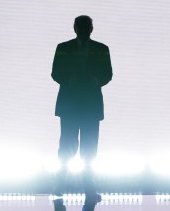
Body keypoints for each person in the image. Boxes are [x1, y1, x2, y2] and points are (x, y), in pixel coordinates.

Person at [51, 15, 113, 202]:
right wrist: (93, 81)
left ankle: (68, 186)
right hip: (83, 104)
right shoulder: (99, 49)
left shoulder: (65, 48)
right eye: (82, 26)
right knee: (75, 145)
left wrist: (87, 80)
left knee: (84, 146)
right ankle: (74, 186)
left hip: (77, 104)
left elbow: (107, 74)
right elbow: (56, 73)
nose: (85, 29)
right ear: (77, 28)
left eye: (86, 26)